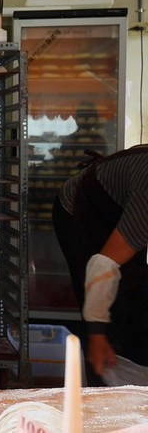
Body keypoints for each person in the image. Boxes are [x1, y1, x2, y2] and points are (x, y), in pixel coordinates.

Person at [52, 144, 148, 384]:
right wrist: (97, 332)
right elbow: (104, 264)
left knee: (139, 300)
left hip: (123, 205)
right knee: (110, 311)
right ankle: (101, 395)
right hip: (81, 211)